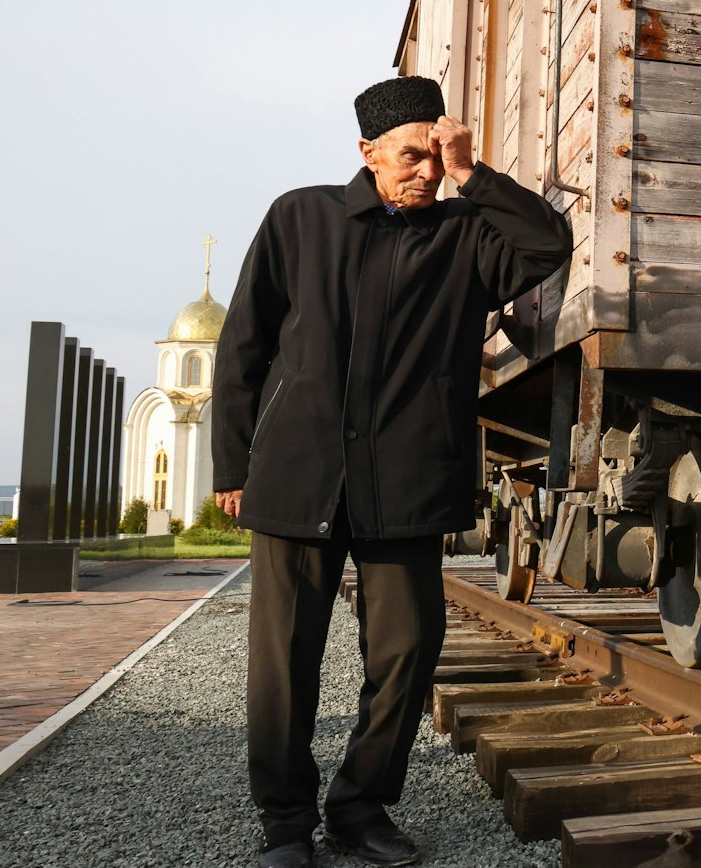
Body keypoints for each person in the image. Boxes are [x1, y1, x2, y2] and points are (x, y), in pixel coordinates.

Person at [211, 75, 571, 868]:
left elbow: (547, 247)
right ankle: (283, 826)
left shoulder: (465, 234)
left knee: (407, 653)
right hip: (296, 476)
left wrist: (474, 174)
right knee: (284, 663)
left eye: (436, 158)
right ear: (367, 152)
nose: (425, 172)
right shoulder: (299, 218)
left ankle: (360, 806)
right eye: (412, 156)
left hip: (405, 484)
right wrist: (232, 464)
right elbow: (243, 344)